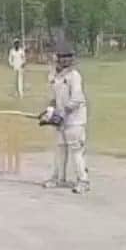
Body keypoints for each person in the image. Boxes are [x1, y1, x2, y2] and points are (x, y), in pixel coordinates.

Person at [40, 41, 89, 194]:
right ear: (57, 58)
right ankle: (58, 178)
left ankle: (83, 181)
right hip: (62, 121)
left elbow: (76, 100)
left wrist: (62, 113)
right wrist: (49, 112)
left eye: (68, 57)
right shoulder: (54, 76)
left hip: (75, 120)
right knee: (60, 149)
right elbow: (54, 99)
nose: (66, 60)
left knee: (76, 150)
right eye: (63, 57)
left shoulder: (74, 76)